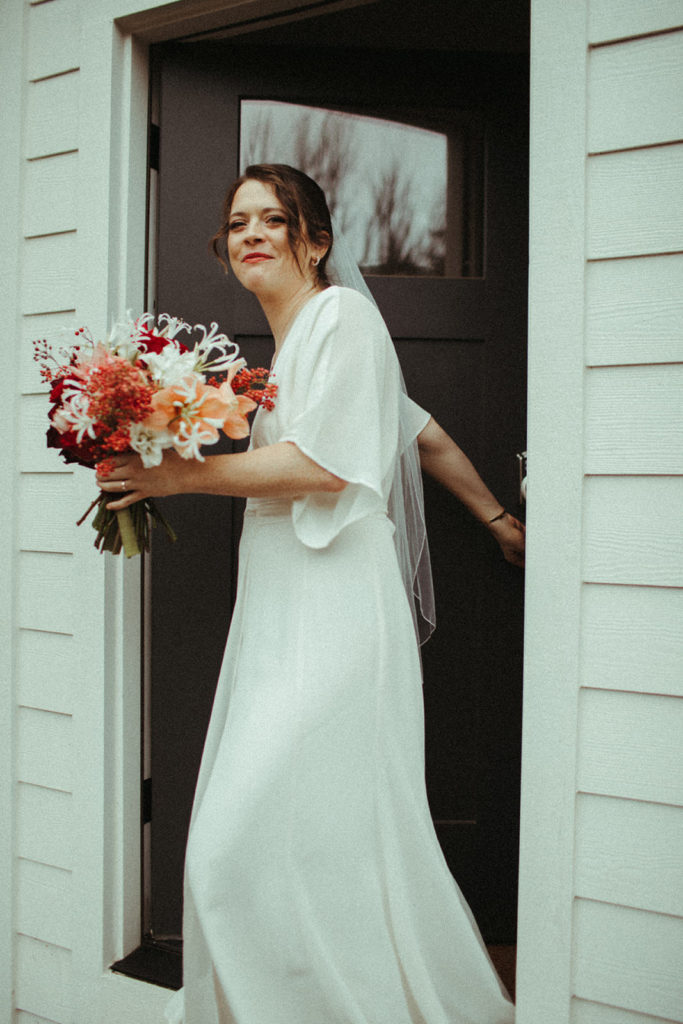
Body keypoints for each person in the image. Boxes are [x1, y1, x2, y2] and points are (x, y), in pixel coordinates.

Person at [98, 164, 523, 1024]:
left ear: (316, 241)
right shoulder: (294, 350)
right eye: (238, 222)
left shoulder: (343, 317)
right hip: (279, 609)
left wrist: (175, 475)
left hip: (334, 610)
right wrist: (496, 520)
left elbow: (326, 469)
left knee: (229, 846)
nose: (251, 233)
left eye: (273, 219)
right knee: (318, 832)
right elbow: (421, 433)